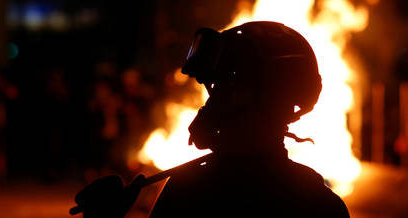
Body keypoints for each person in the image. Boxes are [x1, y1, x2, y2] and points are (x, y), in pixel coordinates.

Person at [73, 21, 350, 217]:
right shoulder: (321, 203)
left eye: (230, 87)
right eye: (214, 90)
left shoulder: (190, 194)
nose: (211, 105)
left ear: (274, 96)